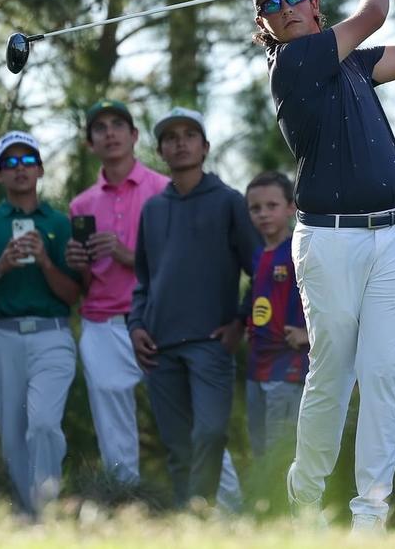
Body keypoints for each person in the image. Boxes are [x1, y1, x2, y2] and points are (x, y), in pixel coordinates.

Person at [250, 0, 395, 531]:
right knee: (333, 375)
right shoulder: (291, 63)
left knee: (385, 372)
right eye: (271, 6)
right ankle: (306, 497)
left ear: (314, 4)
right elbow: (373, 14)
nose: (284, 9)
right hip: (330, 244)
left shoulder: (353, 65)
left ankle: (370, 517)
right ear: (265, 26)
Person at [64, 99, 243, 509]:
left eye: (118, 125)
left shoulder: (167, 190)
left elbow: (181, 266)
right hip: (104, 323)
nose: (109, 133)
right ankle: (125, 514)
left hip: (165, 324)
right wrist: (79, 265)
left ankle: (229, 510)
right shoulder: (81, 205)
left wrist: (124, 254)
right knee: (115, 434)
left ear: (135, 136)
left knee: (202, 427)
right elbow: (86, 283)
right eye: (100, 128)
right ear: (90, 143)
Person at [128, 106, 261, 508]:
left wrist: (240, 322)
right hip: (160, 346)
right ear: (160, 151)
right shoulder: (152, 209)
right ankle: (189, 523)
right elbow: (144, 282)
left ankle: (200, 514)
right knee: (178, 447)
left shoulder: (229, 202)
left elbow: (260, 269)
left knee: (210, 433)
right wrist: (136, 326)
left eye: (189, 135)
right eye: (170, 138)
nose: (180, 143)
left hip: (210, 343)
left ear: (205, 147)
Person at [0, 130, 82, 517]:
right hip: (4, 337)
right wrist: (0, 267)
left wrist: (46, 261)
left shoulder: (60, 223)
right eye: (10, 162)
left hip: (53, 335)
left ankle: (46, 510)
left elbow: (72, 294)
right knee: (13, 436)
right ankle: (26, 517)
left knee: (44, 424)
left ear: (40, 170)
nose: (20, 168)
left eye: (28, 160)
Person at [239, 172, 308, 463]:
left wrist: (308, 333)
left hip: (289, 364)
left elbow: (327, 299)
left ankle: (287, 493)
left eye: (272, 205)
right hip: (257, 364)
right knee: (259, 446)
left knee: (282, 449)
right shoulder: (258, 255)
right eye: (255, 208)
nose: (263, 214)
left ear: (291, 207)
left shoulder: (300, 251)